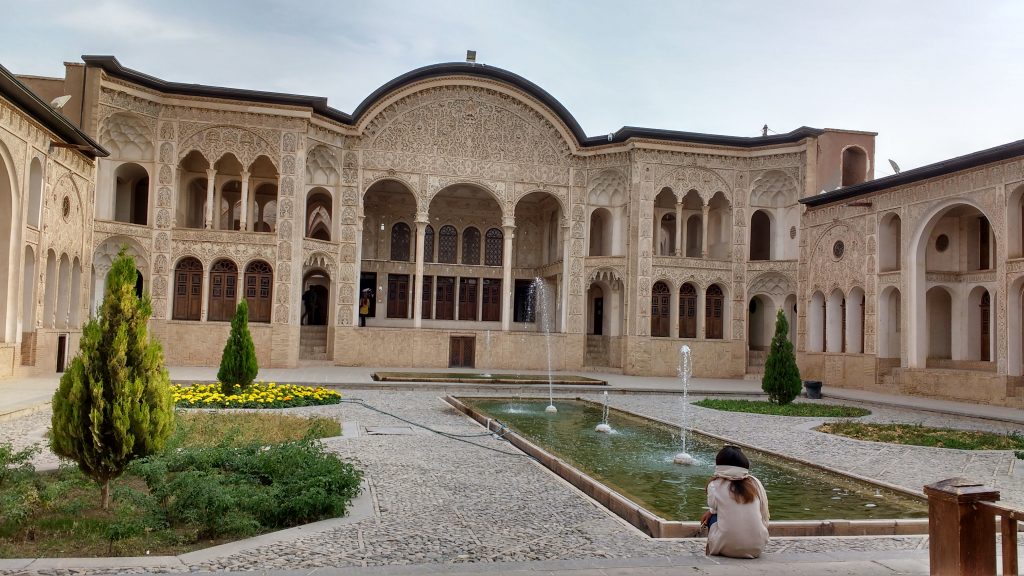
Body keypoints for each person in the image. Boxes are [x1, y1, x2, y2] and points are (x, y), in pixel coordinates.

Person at [700, 445, 770, 559]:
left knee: (712, 517)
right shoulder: (754, 483)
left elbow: (714, 508)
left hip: (727, 548)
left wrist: (710, 512)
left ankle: (711, 550)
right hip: (757, 547)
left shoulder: (715, 485)